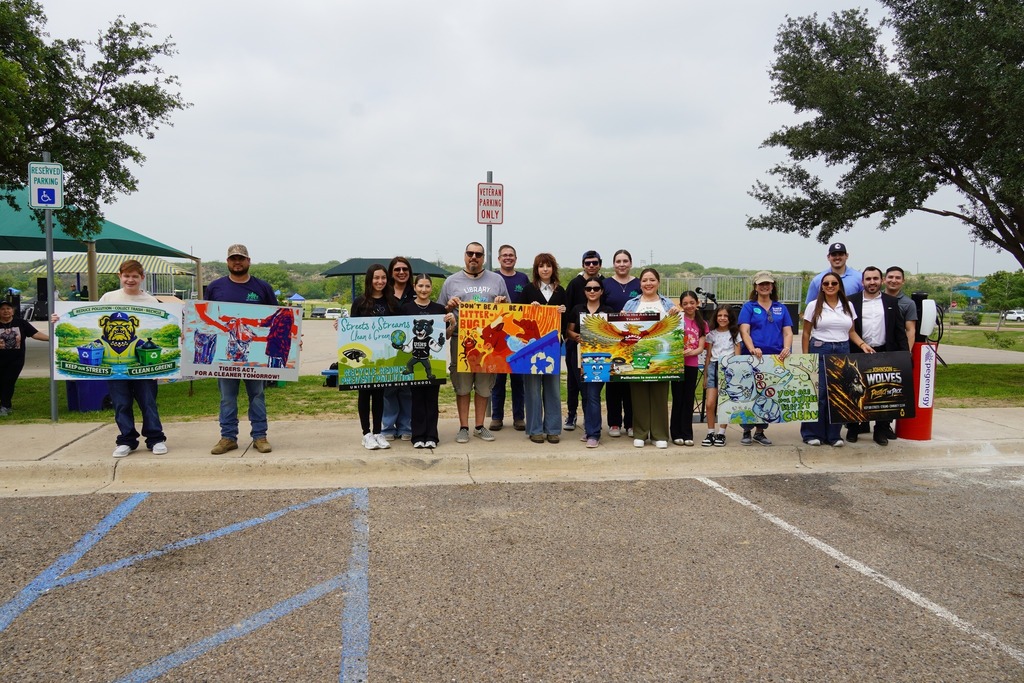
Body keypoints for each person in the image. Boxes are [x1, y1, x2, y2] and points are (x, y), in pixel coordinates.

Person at [206, 244, 278, 455]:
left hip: (254, 353)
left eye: (241, 258)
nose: (237, 262)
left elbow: (277, 316)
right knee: (227, 397)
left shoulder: (262, 287)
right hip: (225, 354)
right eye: (233, 259)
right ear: (227, 262)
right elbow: (205, 317)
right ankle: (228, 437)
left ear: (249, 261)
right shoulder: (215, 287)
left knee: (257, 395)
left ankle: (260, 436)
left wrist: (291, 339)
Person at [95, 259, 169, 457]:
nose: (130, 280)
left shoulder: (152, 302)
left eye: (135, 276)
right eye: (126, 275)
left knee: (148, 402)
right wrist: (59, 319)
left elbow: (161, 330)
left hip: (142, 364)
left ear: (142, 278)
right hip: (114, 364)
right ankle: (126, 439)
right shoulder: (108, 298)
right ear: (120, 276)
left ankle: (155, 438)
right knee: (121, 403)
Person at [439, 242, 509, 443]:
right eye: (470, 253)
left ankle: (479, 426)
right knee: (462, 386)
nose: (474, 257)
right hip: (462, 339)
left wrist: (502, 303)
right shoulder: (451, 281)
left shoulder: (497, 280)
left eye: (478, 254)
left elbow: (509, 310)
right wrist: (448, 306)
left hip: (487, 343)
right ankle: (463, 427)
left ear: (483, 258)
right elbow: (439, 312)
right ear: (464, 256)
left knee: (484, 386)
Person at [800, 274, 873, 447]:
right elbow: (805, 333)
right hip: (820, 348)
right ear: (822, 287)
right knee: (820, 394)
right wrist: (806, 357)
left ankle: (833, 435)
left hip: (842, 350)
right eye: (826, 283)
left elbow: (851, 332)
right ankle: (811, 433)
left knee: (838, 394)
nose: (830, 286)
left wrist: (863, 345)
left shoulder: (847, 305)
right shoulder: (813, 306)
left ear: (839, 285)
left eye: (834, 283)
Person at [847, 266, 909, 446]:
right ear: (862, 282)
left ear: (881, 281)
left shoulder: (891, 301)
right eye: (868, 279)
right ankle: (853, 427)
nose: (872, 282)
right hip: (858, 352)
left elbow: (899, 331)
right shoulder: (852, 301)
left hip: (885, 351)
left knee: (884, 393)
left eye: (875, 279)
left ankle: (881, 430)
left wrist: (905, 356)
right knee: (856, 392)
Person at [621, 268, 680, 449]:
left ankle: (659, 434)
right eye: (645, 280)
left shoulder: (667, 303)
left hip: (662, 357)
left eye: (652, 280)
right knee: (638, 394)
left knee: (660, 394)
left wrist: (675, 314)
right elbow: (622, 329)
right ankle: (640, 432)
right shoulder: (631, 304)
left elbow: (676, 326)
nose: (648, 283)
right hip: (636, 354)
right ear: (640, 283)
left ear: (658, 282)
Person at [738, 271, 794, 446]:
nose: (765, 286)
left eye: (768, 283)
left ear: (772, 286)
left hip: (774, 358)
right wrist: (752, 348)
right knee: (750, 393)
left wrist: (787, 348)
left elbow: (788, 331)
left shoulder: (781, 308)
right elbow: (744, 331)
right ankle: (746, 429)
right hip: (753, 357)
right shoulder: (749, 307)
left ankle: (760, 431)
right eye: (761, 284)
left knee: (768, 394)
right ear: (755, 287)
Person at [400, 274, 452, 449]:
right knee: (416, 400)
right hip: (413, 360)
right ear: (414, 287)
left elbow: (445, 335)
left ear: (431, 288)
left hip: (433, 362)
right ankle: (418, 435)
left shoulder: (439, 309)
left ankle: (432, 435)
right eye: (420, 286)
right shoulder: (406, 309)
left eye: (427, 286)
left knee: (432, 400)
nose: (423, 290)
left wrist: (451, 324)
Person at [520, 253, 568, 444]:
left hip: (553, 347)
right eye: (541, 266)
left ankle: (553, 429)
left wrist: (562, 313)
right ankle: (534, 429)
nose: (545, 269)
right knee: (531, 389)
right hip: (531, 348)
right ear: (536, 269)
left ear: (553, 268)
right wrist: (529, 309)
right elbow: (518, 317)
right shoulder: (528, 290)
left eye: (548, 266)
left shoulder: (561, 291)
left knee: (553, 389)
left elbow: (567, 321)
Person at [352, 264, 396, 450]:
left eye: (383, 278)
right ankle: (366, 433)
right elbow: (351, 329)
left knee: (379, 395)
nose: (380, 281)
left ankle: (378, 432)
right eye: (376, 278)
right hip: (364, 359)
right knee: (364, 394)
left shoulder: (392, 302)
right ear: (369, 280)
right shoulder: (360, 302)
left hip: (384, 358)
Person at [567, 276, 614, 448]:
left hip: (600, 358)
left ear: (601, 291)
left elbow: (615, 334)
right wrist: (577, 337)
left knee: (594, 395)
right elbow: (568, 331)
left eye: (595, 288)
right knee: (585, 395)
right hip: (579, 357)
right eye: (589, 289)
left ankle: (594, 434)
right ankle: (589, 428)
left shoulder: (608, 310)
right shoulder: (577, 309)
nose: (592, 291)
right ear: (584, 291)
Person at [562, 250, 604, 431]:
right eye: (588, 263)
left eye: (594, 262)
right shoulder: (574, 283)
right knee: (573, 383)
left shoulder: (604, 283)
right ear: (583, 265)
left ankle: (591, 419)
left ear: (600, 264)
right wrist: (573, 336)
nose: (591, 266)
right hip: (576, 344)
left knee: (593, 386)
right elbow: (568, 314)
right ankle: (572, 414)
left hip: (598, 346)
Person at [601, 249, 640, 438]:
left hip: (634, 339)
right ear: (613, 264)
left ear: (630, 263)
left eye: (625, 260)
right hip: (611, 340)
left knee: (630, 381)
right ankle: (614, 423)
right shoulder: (605, 283)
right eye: (618, 261)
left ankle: (631, 423)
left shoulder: (639, 283)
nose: (622, 264)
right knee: (614, 381)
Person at [489, 244, 529, 432]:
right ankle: (496, 417)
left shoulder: (523, 278)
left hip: (518, 335)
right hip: (500, 334)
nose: (508, 258)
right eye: (504, 255)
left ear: (515, 258)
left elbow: (528, 304)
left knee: (518, 380)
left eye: (511, 255)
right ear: (499, 259)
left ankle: (519, 417)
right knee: (498, 380)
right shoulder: (493, 278)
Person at [381, 256, 414, 442]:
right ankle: (387, 427)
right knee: (388, 390)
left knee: (407, 390)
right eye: (397, 269)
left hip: (409, 350)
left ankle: (406, 426)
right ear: (391, 273)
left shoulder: (416, 292)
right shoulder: (383, 293)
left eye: (405, 269)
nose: (401, 272)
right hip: (387, 349)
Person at [669, 291, 708, 446]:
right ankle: (676, 433)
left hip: (692, 364)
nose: (689, 306)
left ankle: (687, 433)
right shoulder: (678, 319)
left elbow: (701, 346)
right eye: (685, 303)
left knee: (688, 399)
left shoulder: (702, 323)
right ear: (681, 305)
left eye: (692, 302)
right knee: (677, 399)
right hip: (677, 364)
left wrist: (693, 352)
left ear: (697, 303)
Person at [701, 305, 741, 447]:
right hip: (714, 366)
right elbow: (708, 355)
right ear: (715, 317)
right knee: (710, 403)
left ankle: (721, 433)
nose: (722, 318)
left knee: (724, 403)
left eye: (725, 316)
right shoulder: (712, 334)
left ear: (730, 318)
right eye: (719, 316)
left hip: (729, 368)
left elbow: (737, 354)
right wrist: (705, 375)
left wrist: (736, 374)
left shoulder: (735, 334)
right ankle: (710, 431)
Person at [0, 299, 48, 417]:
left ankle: (6, 406)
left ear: (12, 311)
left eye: (8, 308)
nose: (5, 311)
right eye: (2, 309)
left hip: (16, 360)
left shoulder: (21, 323)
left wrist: (51, 338)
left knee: (9, 382)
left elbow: (35, 334)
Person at [885, 266, 918, 352]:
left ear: (903, 281)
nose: (893, 280)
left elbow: (910, 330)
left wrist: (907, 353)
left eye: (898, 278)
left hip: (896, 349)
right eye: (890, 277)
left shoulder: (909, 303)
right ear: (884, 279)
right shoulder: (875, 299)